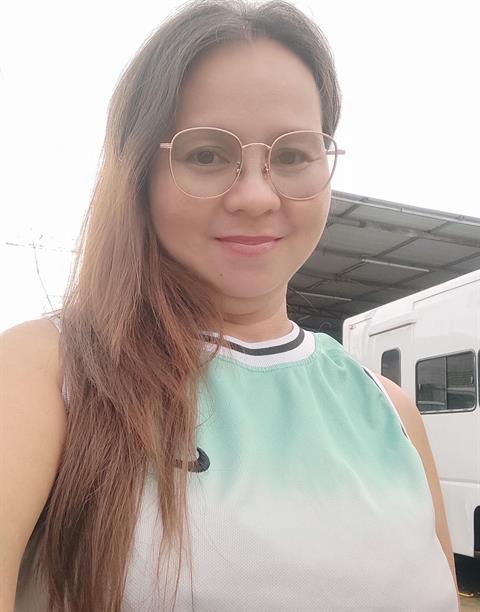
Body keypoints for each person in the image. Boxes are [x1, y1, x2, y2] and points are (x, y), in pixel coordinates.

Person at [1, 1, 460, 611]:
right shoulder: (45, 370)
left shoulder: (390, 409)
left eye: (292, 155)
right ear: (140, 172)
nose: (256, 196)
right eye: (206, 154)